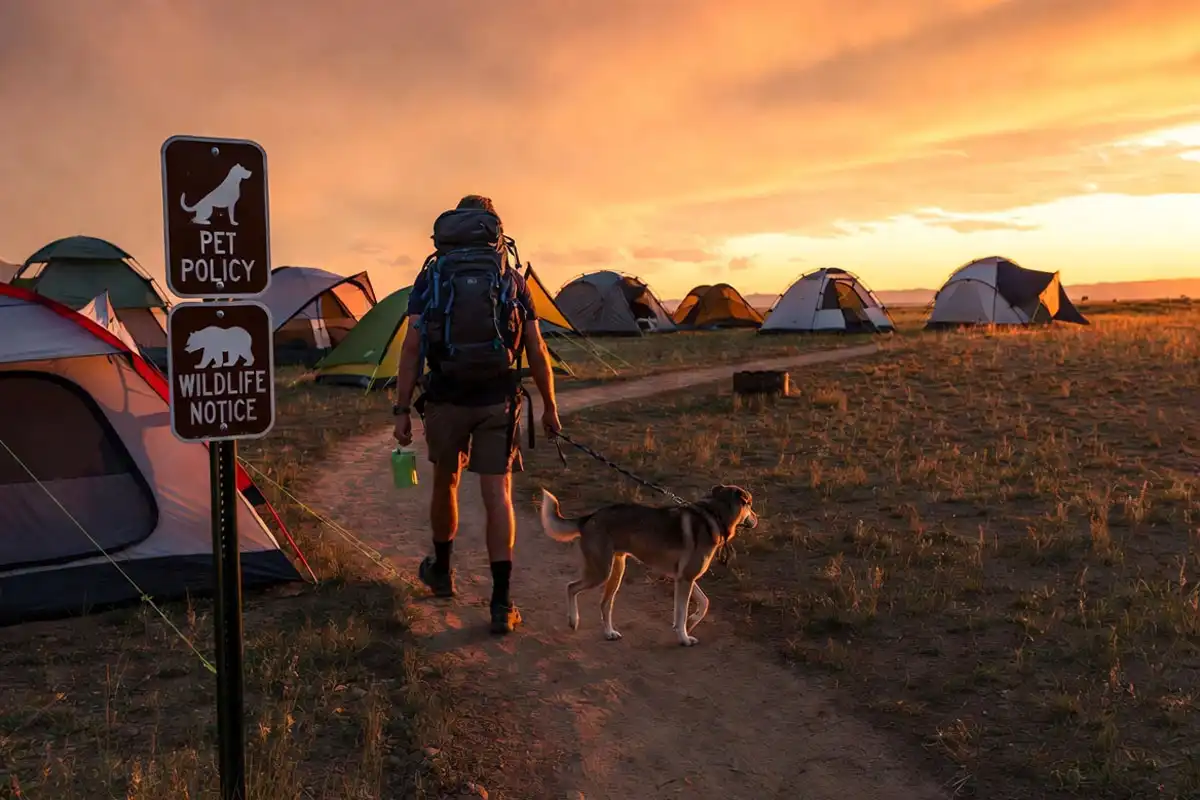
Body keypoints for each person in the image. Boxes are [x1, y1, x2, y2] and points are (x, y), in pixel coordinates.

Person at [392, 194, 562, 634]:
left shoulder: (432, 276)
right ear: (494, 228)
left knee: (445, 482)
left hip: (445, 397)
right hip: (497, 399)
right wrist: (549, 406)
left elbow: (412, 347)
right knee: (497, 495)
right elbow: (536, 348)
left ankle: (442, 572)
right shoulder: (511, 277)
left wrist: (401, 409)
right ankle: (501, 602)